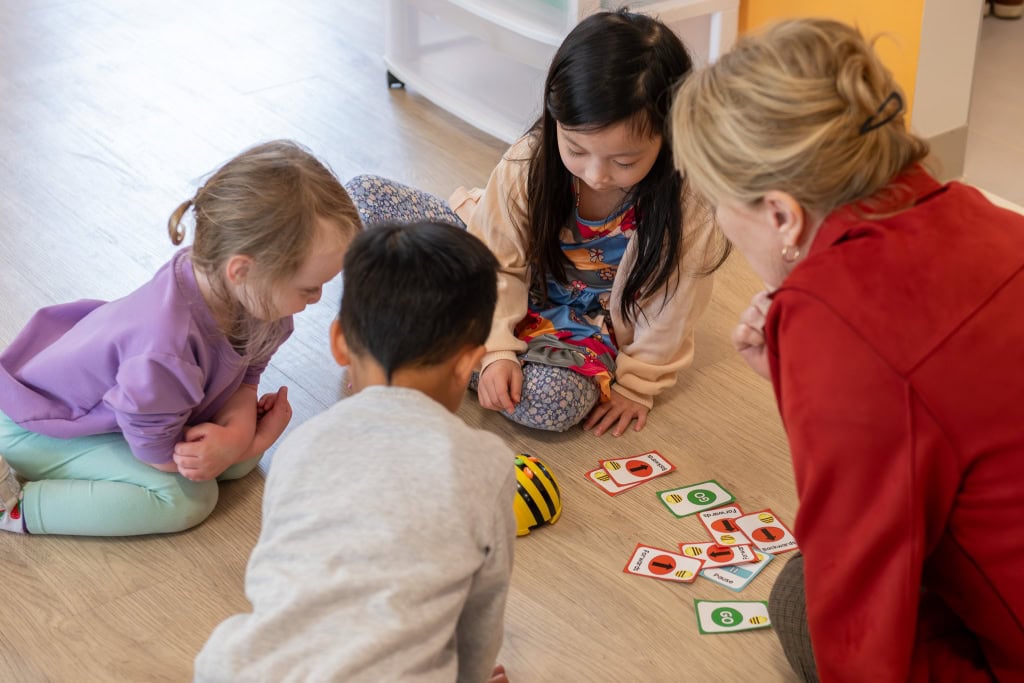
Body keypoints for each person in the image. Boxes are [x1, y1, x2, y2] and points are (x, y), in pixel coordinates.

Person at [670, 18, 1024, 682]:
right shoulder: (984, 212)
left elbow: (857, 629)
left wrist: (821, 366)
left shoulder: (837, 320)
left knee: (802, 593)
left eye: (717, 202)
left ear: (781, 213)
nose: (718, 221)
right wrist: (804, 386)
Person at [345, 9, 728, 436]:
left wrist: (638, 386)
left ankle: (439, 345)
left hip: (584, 326)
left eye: (624, 161)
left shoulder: (688, 201)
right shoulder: (530, 160)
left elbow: (673, 306)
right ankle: (459, 346)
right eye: (576, 148)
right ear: (554, 118)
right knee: (365, 198)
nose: (596, 174)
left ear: (671, 134)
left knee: (550, 404)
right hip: (493, 281)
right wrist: (497, 353)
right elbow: (495, 260)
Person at [194, 222, 516, 683]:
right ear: (469, 361)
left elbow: (279, 573)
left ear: (340, 341)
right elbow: (482, 610)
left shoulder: (301, 443)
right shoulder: (486, 462)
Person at [0, 140, 360, 536]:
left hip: (132, 406)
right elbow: (155, 453)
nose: (318, 298)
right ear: (242, 270)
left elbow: (246, 380)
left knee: (230, 458)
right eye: (309, 287)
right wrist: (249, 444)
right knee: (189, 499)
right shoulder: (163, 351)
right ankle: (15, 509)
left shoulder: (258, 302)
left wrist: (236, 438)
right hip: (36, 425)